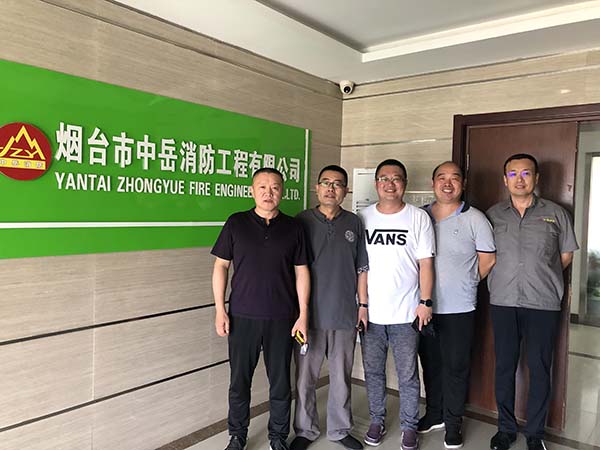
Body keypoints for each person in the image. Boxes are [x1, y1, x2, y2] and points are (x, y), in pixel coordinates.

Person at [212, 167, 310, 450]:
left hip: (282, 318)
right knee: (239, 382)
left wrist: (303, 315)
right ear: (252, 191)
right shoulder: (236, 223)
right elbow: (221, 266)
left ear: (282, 192)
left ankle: (277, 438)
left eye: (275, 187)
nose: (269, 193)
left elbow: (302, 271)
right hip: (242, 317)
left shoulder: (294, 228)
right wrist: (220, 309)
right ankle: (237, 435)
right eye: (263, 187)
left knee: (280, 384)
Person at [487, 154, 578, 450]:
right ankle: (505, 429)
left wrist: (541, 275)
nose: (520, 179)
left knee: (539, 368)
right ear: (505, 180)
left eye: (526, 173)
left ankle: (535, 434)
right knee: (504, 366)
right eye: (513, 174)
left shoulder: (556, 213)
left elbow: (565, 255)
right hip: (503, 300)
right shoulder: (493, 215)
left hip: (543, 302)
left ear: (536, 178)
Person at [417, 161, 496, 449]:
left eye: (454, 178)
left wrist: (467, 281)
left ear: (463, 184)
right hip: (423, 307)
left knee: (456, 367)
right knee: (430, 364)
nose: (447, 183)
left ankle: (453, 423)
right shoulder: (420, 216)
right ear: (433, 183)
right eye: (441, 177)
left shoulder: (475, 218)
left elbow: (488, 260)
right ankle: (434, 414)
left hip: (460, 308)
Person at [290, 165, 369, 450]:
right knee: (305, 378)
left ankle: (340, 429)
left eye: (337, 184)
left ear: (346, 190)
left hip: (345, 314)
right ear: (316, 187)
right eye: (325, 182)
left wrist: (363, 306)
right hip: (308, 316)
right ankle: (305, 430)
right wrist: (298, 312)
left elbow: (362, 268)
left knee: (341, 377)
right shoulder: (301, 221)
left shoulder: (354, 222)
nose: (331, 188)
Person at [358, 159, 435, 450]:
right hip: (371, 314)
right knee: (373, 372)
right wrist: (362, 305)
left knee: (408, 375)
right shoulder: (363, 218)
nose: (390, 184)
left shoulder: (418, 217)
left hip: (406, 314)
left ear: (405, 183)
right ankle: (377, 420)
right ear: (376, 183)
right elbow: (360, 268)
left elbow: (426, 263)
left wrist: (425, 302)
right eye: (384, 178)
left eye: (396, 178)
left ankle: (409, 426)